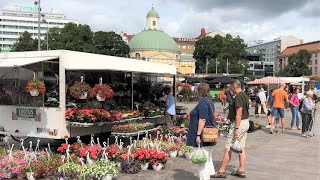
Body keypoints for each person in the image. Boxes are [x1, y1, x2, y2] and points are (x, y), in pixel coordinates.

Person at [211, 80, 250, 179]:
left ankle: (222, 171)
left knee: (228, 147)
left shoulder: (238, 96)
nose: (229, 90)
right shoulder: (244, 95)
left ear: (235, 87)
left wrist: (236, 128)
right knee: (241, 147)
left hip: (239, 124)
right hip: (245, 122)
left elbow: (239, 113)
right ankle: (241, 170)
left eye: (230, 88)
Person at [186, 83, 215, 180]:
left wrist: (198, 135)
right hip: (209, 134)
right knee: (207, 158)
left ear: (200, 91)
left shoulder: (203, 102)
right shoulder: (210, 102)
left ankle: (204, 178)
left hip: (202, 135)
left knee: (202, 162)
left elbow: (202, 119)